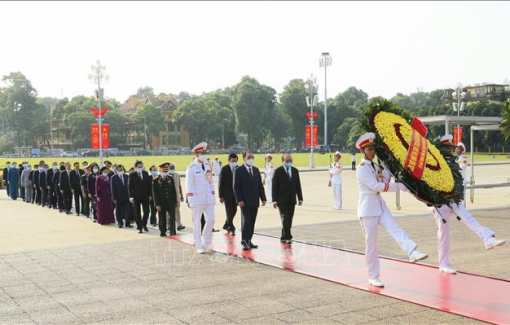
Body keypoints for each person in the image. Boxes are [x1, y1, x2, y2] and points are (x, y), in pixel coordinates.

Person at [355, 132, 428, 287]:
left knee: (395, 228)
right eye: (369, 149)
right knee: (372, 245)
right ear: (362, 151)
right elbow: (376, 186)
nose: (372, 152)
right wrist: (399, 186)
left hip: (380, 205)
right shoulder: (362, 169)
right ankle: (373, 276)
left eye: (373, 148)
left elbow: (384, 179)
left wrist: (393, 166)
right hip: (367, 209)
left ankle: (412, 251)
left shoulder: (375, 166)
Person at [426, 135, 506, 274]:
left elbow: (459, 169)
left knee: (466, 216)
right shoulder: (436, 161)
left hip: (453, 199)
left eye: (453, 147)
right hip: (439, 203)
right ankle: (443, 264)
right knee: (443, 233)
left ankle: (487, 237)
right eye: (450, 148)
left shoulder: (456, 160)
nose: (452, 150)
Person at [186, 142, 216, 254]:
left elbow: (211, 183)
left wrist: (213, 196)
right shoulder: (191, 168)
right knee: (197, 223)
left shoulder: (208, 166)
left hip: (208, 198)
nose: (204, 155)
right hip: (197, 200)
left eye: (205, 153)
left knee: (212, 219)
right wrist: (191, 200)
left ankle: (206, 241)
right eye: (202, 153)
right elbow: (189, 185)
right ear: (197, 154)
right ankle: (198, 244)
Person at [234, 151, 266, 250]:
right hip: (244, 202)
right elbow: (236, 187)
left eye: (252, 157)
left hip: (254, 201)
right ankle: (244, 241)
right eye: (249, 157)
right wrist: (239, 199)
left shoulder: (256, 170)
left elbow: (260, 185)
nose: (251, 159)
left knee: (252, 222)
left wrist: (263, 198)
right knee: (247, 221)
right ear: (244, 158)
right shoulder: (239, 170)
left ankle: (249, 240)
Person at [272, 153, 303, 244]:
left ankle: (283, 236)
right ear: (283, 161)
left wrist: (300, 198)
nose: (289, 162)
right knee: (285, 218)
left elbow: (298, 185)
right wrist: (274, 200)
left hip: (292, 199)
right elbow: (274, 186)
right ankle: (288, 236)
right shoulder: (278, 171)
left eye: (290, 161)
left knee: (289, 218)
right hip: (281, 200)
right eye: (287, 161)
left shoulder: (295, 171)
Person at [153, 163, 179, 237]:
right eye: (164, 170)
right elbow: (155, 193)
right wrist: (157, 204)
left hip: (170, 202)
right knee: (162, 218)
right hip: (161, 203)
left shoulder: (170, 178)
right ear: (160, 170)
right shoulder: (156, 180)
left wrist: (176, 201)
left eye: (166, 170)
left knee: (172, 217)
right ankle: (163, 232)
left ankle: (172, 232)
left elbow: (173, 191)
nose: (165, 172)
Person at [129, 161, 152, 234]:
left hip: (145, 196)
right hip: (136, 197)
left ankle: (144, 224)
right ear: (135, 167)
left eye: (141, 167)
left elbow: (149, 185)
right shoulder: (132, 175)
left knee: (147, 211)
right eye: (139, 167)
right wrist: (131, 197)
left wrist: (150, 195)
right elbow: (129, 187)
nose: (140, 168)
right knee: (137, 213)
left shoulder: (145, 173)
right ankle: (139, 227)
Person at [219, 153, 239, 235]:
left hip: (236, 195)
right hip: (227, 195)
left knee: (234, 210)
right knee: (229, 211)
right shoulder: (224, 169)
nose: (234, 162)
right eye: (232, 161)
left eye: (235, 161)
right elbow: (221, 183)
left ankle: (226, 224)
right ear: (229, 161)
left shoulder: (239, 168)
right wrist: (221, 196)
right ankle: (231, 226)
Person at [111, 164, 131, 228]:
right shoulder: (113, 178)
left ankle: (127, 223)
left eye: (122, 170)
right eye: (119, 170)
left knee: (127, 210)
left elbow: (129, 187)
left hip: (126, 197)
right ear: (116, 170)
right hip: (118, 197)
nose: (121, 171)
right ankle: (120, 223)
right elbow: (112, 188)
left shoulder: (126, 176)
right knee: (118, 211)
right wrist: (114, 198)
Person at [168, 163, 185, 231]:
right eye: (171, 167)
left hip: (177, 195)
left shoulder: (177, 175)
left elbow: (179, 186)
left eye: (173, 167)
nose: (172, 168)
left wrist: (182, 196)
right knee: (168, 212)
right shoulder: (166, 175)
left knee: (177, 211)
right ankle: (168, 225)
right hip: (169, 196)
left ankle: (179, 224)